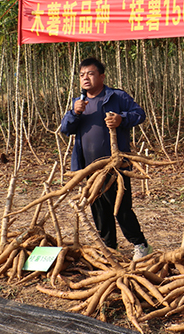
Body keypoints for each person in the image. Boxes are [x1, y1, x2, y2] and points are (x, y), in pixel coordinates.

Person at [60, 57, 152, 260]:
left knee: (121, 207)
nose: (85, 78)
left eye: (90, 74)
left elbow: (139, 114)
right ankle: (110, 248)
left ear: (101, 77)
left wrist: (121, 119)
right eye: (82, 75)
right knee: (99, 208)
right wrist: (74, 113)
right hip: (91, 167)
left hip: (115, 164)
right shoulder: (79, 102)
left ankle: (140, 244)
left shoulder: (116, 96)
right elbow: (65, 129)